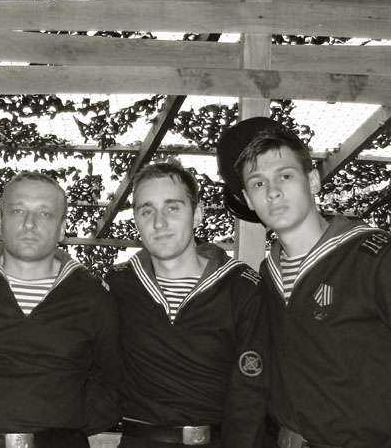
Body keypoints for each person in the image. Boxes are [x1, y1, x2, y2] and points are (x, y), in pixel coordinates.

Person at [217, 117, 391, 448]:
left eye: (285, 175)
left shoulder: (374, 258)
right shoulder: (263, 279)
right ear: (248, 199)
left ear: (312, 180)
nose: (273, 192)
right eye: (258, 183)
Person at [0, 171, 122, 448]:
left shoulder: (93, 296)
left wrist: (64, 427)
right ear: (0, 221)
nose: (30, 223)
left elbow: (118, 380)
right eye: (18, 210)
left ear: (62, 227)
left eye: (45, 213)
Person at [104, 159, 269, 448]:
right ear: (136, 220)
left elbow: (251, 396)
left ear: (197, 214)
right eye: (147, 211)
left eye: (172, 208)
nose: (159, 223)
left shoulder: (241, 288)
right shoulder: (118, 286)